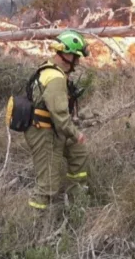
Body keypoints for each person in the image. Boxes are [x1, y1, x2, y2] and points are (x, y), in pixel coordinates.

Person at [26, 30, 90, 210]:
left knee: (78, 152)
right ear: (66, 54)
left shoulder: (52, 69)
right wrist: (76, 133)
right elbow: (60, 116)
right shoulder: (55, 78)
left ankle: (77, 198)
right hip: (44, 132)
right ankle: (36, 223)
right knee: (47, 185)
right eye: (76, 57)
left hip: (54, 129)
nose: (77, 62)